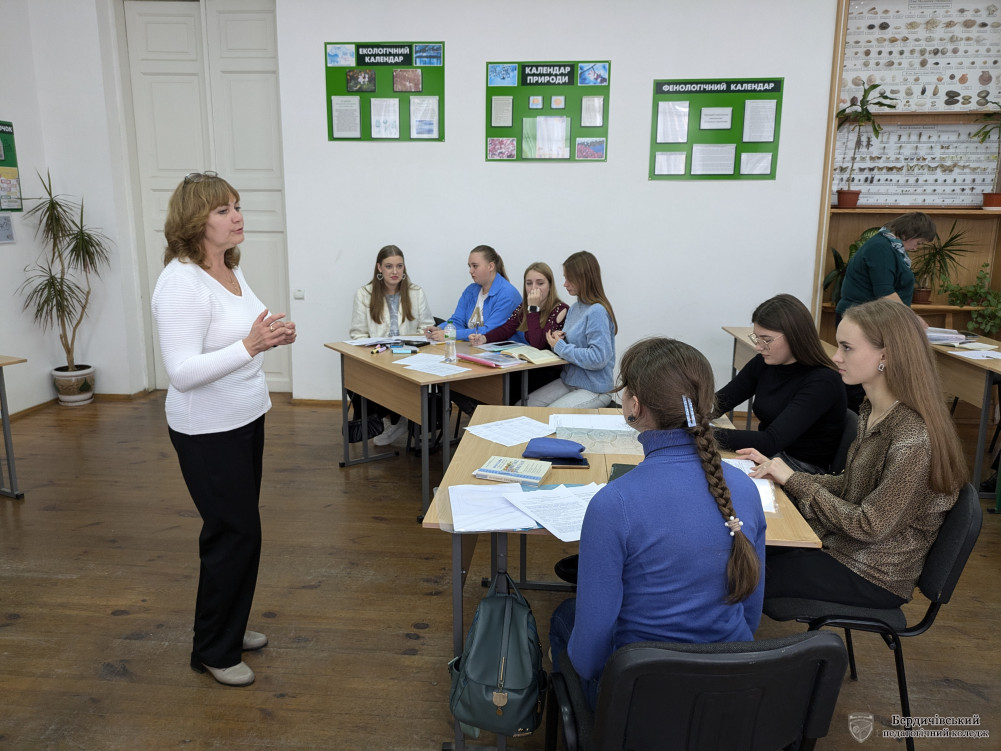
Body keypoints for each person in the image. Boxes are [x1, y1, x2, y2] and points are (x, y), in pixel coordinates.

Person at [548, 338, 766, 709]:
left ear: (634, 406)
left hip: (640, 698)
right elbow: (751, 614)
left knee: (562, 619)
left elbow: (588, 657)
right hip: (728, 694)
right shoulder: (745, 489)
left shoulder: (613, 504)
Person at [151, 171, 297, 687]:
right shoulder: (181, 283)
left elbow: (246, 329)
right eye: (223, 210)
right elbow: (182, 372)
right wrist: (252, 345)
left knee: (240, 533)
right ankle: (214, 649)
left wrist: (271, 334)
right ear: (195, 221)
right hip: (207, 430)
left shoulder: (228, 268)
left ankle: (228, 627)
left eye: (236, 206)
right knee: (233, 534)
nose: (237, 217)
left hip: (244, 416)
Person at [742, 299, 966, 609]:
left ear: (885, 355)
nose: (836, 357)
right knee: (740, 549)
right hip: (841, 547)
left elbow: (870, 526)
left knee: (743, 575)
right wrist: (786, 475)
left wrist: (796, 482)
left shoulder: (912, 437)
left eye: (846, 348)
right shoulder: (873, 410)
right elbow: (854, 485)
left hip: (872, 573)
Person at [715, 294, 846, 473]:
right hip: (770, 455)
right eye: (756, 338)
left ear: (794, 336)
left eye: (766, 340)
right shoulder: (764, 363)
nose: (758, 346)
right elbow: (721, 401)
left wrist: (700, 434)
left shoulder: (823, 381)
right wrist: (686, 416)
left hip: (801, 469)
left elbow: (770, 441)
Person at [349, 244, 435, 445]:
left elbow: (427, 328)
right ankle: (394, 420)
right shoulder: (364, 294)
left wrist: (413, 344)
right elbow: (358, 334)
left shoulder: (416, 292)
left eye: (399, 266)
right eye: (389, 266)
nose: (395, 271)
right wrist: (376, 351)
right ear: (379, 268)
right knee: (355, 381)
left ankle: (403, 419)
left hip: (410, 356)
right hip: (378, 357)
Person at [525, 251, 616, 408]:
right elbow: (569, 348)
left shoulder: (597, 311)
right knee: (524, 405)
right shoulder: (574, 308)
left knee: (550, 416)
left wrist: (560, 346)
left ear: (583, 279)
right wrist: (559, 340)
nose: (565, 284)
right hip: (569, 381)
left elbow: (599, 358)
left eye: (569, 279)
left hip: (594, 389)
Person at [468, 261, 569, 393]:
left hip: (547, 370)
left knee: (505, 385)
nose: (534, 288)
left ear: (550, 285)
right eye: (529, 283)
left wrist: (533, 308)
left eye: (540, 283)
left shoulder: (560, 309)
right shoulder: (524, 307)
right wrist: (484, 338)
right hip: (526, 365)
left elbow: (538, 343)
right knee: (487, 378)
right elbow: (507, 329)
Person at [836, 211, 937, 318]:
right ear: (907, 233)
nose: (916, 248)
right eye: (918, 243)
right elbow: (885, 292)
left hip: (873, 316)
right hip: (863, 318)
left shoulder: (894, 247)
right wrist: (912, 318)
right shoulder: (881, 248)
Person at [425, 245, 521, 341]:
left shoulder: (507, 294)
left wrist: (450, 334)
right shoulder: (470, 290)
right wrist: (440, 329)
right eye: (469, 266)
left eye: (475, 266)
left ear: (490, 266)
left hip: (501, 348)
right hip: (474, 346)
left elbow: (490, 331)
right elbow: (458, 320)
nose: (470, 271)